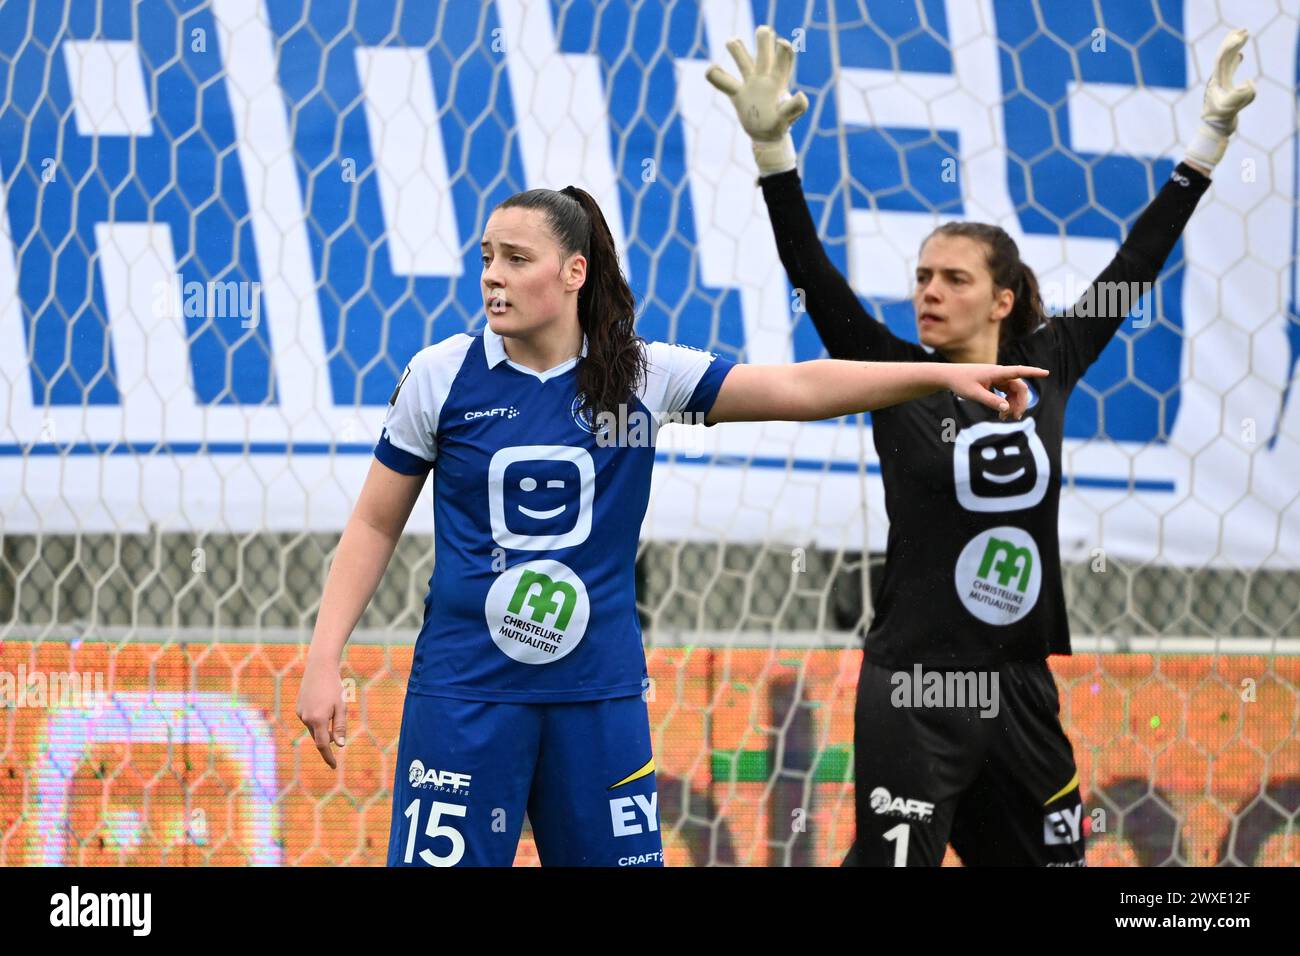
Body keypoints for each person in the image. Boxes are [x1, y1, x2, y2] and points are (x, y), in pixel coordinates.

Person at [295, 182, 1045, 866]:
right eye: (487, 257)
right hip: (464, 695)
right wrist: (325, 657)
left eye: (516, 258)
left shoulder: (642, 377)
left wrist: (941, 375)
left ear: (574, 272)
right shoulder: (441, 373)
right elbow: (372, 524)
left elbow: (796, 384)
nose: (491, 275)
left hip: (599, 698)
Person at [708, 25, 1255, 865]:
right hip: (916, 686)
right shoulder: (894, 376)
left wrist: (1207, 146)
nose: (929, 291)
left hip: (1020, 687)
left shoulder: (1054, 361)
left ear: (1002, 301)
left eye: (953, 279)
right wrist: (774, 152)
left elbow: (1137, 262)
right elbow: (812, 273)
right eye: (923, 276)